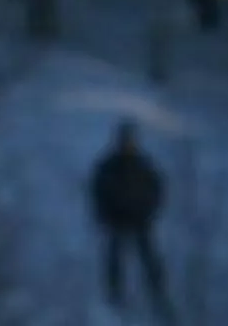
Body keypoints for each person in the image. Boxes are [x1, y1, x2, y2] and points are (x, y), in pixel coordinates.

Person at [90, 121, 169, 317]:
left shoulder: (143, 165)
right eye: (125, 140)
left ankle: (157, 294)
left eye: (131, 141)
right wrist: (104, 215)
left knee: (150, 260)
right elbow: (97, 191)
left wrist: (151, 211)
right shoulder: (109, 165)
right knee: (115, 260)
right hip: (117, 220)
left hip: (140, 219)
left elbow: (157, 188)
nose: (128, 144)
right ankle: (115, 296)